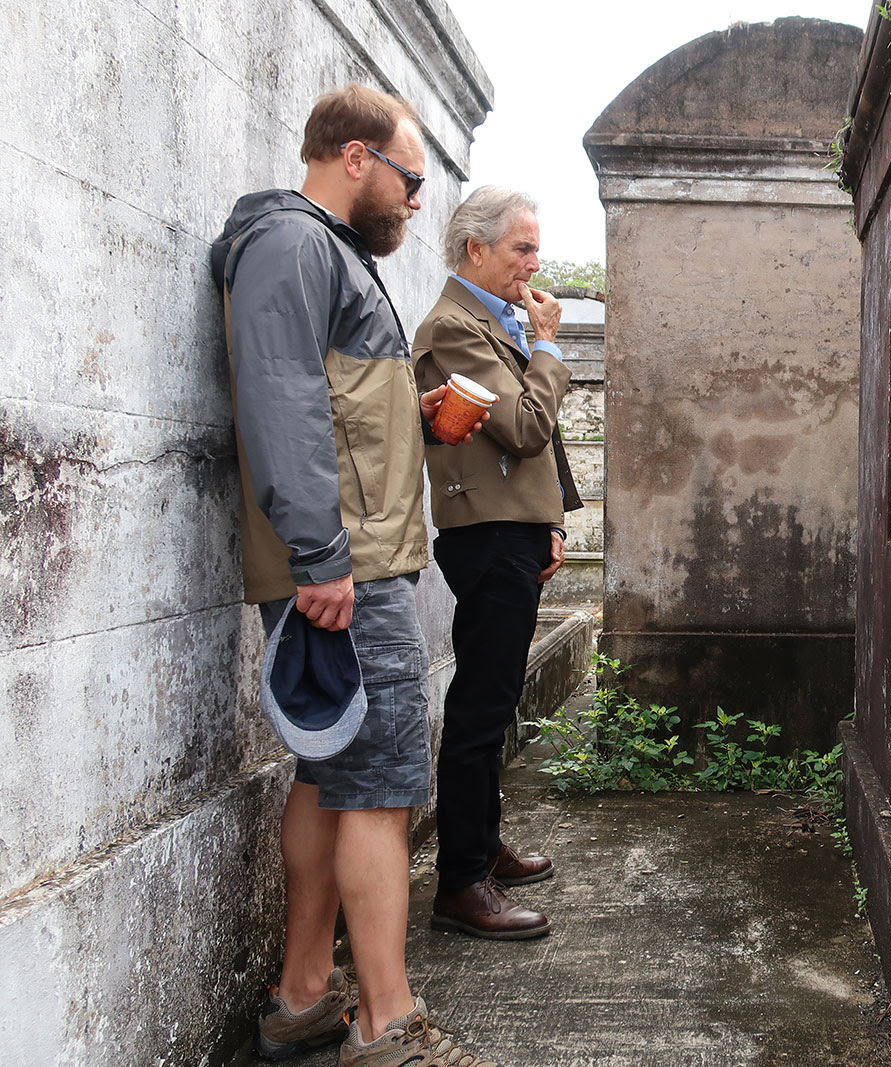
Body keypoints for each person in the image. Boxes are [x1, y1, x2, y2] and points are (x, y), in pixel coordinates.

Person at [212, 84, 497, 1066]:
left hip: (344, 554)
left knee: (331, 773)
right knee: (379, 782)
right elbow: (283, 396)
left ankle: (302, 998)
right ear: (356, 157)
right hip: (346, 563)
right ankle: (388, 1025)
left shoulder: (319, 249)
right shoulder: (295, 243)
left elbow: (330, 398)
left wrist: (409, 416)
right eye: (410, 179)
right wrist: (322, 555)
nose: (418, 199)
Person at [413, 186, 581, 939]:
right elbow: (525, 426)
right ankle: (460, 881)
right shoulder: (453, 328)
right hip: (486, 536)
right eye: (522, 248)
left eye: (535, 248)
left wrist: (550, 520)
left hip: (512, 528)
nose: (534, 263)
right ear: (474, 249)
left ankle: (483, 848)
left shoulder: (489, 320)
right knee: (481, 706)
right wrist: (548, 345)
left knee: (497, 695)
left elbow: (533, 447)